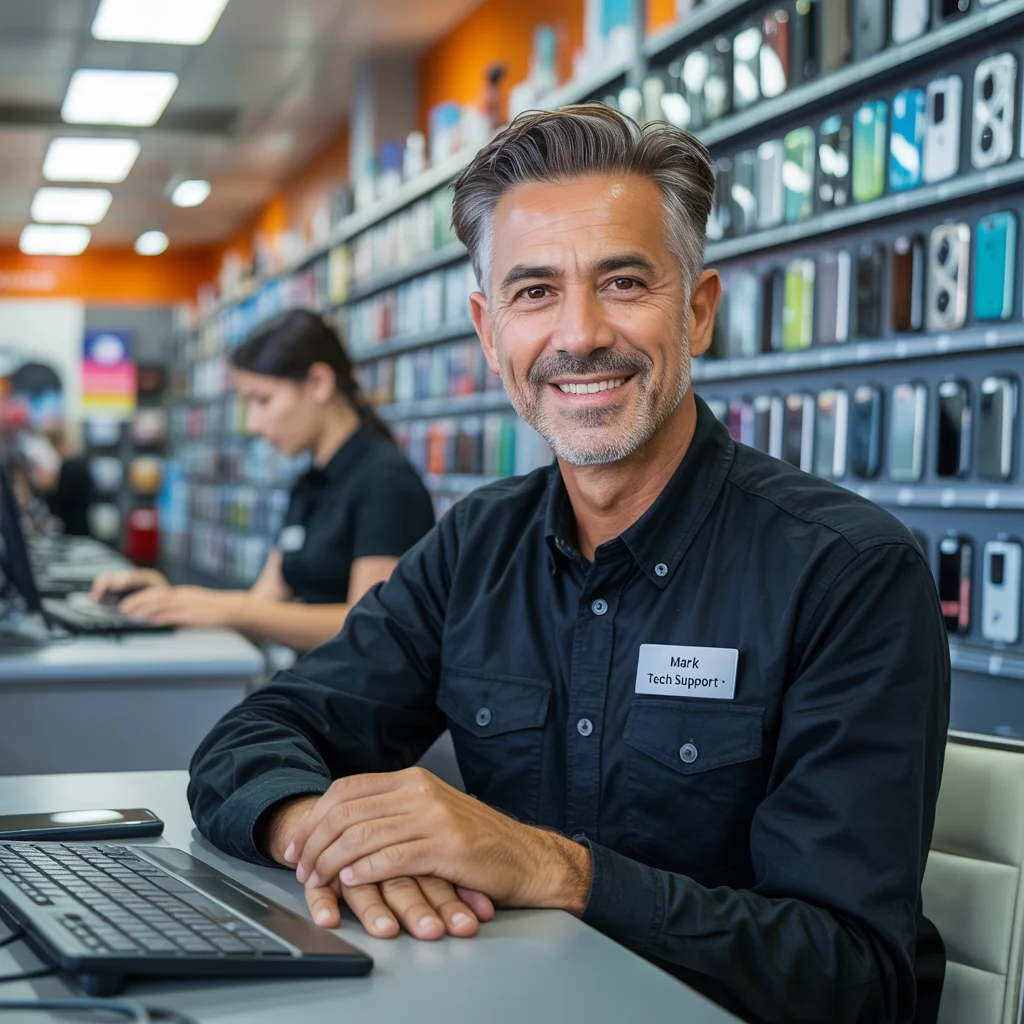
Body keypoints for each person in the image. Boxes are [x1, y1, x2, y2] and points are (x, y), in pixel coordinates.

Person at [187, 106, 949, 1023]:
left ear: (698, 311)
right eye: (534, 291)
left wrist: (553, 870)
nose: (579, 334)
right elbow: (255, 735)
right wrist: (320, 832)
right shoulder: (476, 547)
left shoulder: (849, 572)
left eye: (624, 282)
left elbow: (857, 975)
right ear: (487, 328)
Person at [92, 311, 435, 653]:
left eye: (263, 400)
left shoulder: (386, 481)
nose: (253, 424)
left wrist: (235, 610)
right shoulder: (310, 483)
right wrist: (169, 596)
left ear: (318, 383)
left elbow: (370, 626)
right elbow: (264, 602)